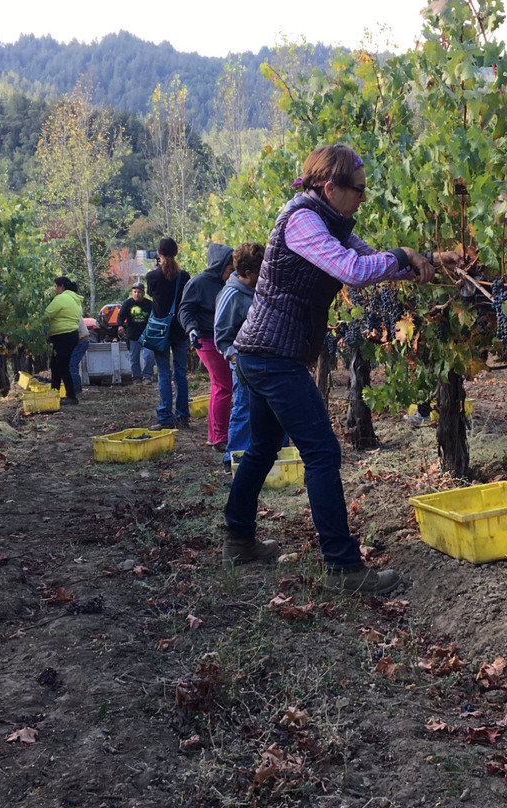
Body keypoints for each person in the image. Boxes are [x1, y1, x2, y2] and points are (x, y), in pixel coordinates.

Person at [222, 143, 461, 594]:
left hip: (263, 353)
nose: (363, 199)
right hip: (273, 357)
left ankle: (238, 539)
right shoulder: (303, 221)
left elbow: (374, 262)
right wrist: (402, 253)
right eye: (359, 190)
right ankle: (343, 567)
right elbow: (351, 270)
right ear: (330, 187)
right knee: (323, 453)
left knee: (262, 448)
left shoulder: (328, 220)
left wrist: (425, 258)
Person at [213, 242, 265, 472]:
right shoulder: (231, 295)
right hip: (243, 362)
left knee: (272, 409)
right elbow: (221, 336)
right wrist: (235, 359)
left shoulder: (261, 289)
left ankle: (273, 455)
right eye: (261, 271)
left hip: (267, 360)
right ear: (248, 273)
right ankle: (232, 459)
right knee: (244, 409)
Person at [179, 243, 235, 449]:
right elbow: (185, 310)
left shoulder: (229, 283)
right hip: (206, 339)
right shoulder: (198, 283)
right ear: (219, 266)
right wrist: (191, 329)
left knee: (218, 386)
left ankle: (215, 435)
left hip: (223, 338)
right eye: (230, 269)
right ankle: (220, 437)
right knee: (224, 386)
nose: (232, 274)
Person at [146, 238, 191, 429]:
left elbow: (152, 295)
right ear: (177, 252)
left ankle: (165, 417)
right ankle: (183, 416)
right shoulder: (185, 277)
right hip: (180, 329)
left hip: (160, 331)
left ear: (158, 254)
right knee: (181, 374)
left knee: (164, 373)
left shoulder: (152, 277)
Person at [43, 276, 83, 405]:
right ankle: (54, 394)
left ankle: (71, 396)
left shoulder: (61, 298)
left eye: (55, 286)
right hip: (69, 336)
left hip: (63, 336)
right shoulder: (73, 299)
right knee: (55, 365)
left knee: (61, 366)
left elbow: (47, 314)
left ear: (61, 286)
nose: (54, 289)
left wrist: (31, 324)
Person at [118, 282, 155, 383]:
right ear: (132, 292)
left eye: (139, 292)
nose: (137, 294)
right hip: (133, 335)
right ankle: (136, 377)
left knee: (149, 356)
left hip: (147, 334)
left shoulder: (149, 304)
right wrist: (120, 326)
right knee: (134, 357)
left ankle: (147, 376)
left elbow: (155, 317)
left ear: (143, 293)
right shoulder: (127, 303)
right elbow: (120, 316)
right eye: (135, 292)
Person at [68, 313, 91, 395]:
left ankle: (76, 389)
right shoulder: (72, 310)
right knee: (72, 364)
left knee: (72, 364)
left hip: (81, 341)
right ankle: (76, 388)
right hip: (82, 340)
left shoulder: (70, 314)